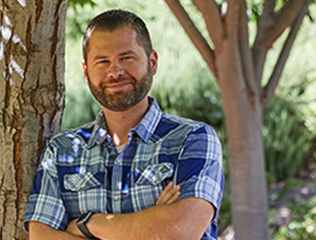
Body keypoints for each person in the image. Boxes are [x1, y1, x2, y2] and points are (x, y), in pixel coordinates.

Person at [24, 9, 224, 240]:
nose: (115, 72)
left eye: (126, 58)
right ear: (86, 72)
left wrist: (87, 225)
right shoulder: (61, 151)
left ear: (153, 62)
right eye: (102, 61)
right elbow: (41, 236)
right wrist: (152, 223)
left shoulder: (192, 139)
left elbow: (179, 231)